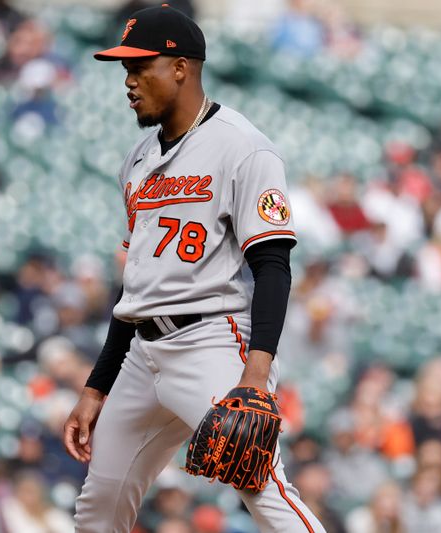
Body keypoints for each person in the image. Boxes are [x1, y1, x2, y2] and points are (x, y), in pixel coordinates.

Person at [62, 6, 325, 532]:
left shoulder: (244, 148)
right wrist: (96, 388)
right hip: (143, 354)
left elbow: (272, 266)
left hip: (211, 342)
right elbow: (137, 286)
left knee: (260, 486)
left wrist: (255, 376)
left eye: (141, 68)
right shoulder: (136, 162)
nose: (129, 83)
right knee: (101, 504)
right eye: (125, 72)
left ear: (180, 67)